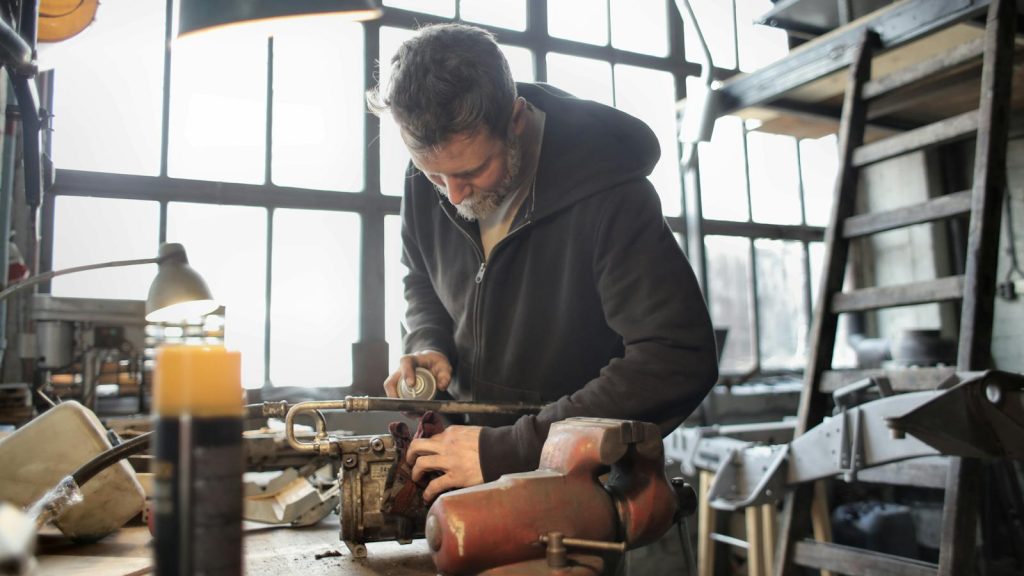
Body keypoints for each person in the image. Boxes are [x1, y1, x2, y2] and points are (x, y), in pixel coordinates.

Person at [367, 23, 718, 503]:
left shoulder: (612, 195)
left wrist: (510, 449)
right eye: (433, 175)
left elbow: (675, 358)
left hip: (576, 487)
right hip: (460, 465)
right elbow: (421, 279)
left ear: (515, 119)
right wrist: (429, 341)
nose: (451, 194)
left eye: (471, 172)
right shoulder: (427, 176)